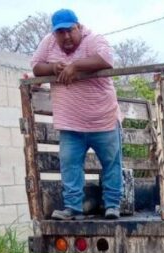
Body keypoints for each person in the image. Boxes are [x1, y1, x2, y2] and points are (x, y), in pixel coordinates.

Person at [31, 9, 122, 220]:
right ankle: (73, 208)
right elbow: (36, 67)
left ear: (78, 27)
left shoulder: (94, 39)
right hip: (70, 123)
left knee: (111, 164)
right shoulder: (49, 42)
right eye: (60, 33)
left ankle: (112, 205)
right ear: (54, 34)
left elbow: (106, 59)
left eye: (70, 31)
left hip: (103, 119)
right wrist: (54, 67)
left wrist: (76, 66)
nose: (66, 37)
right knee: (70, 165)